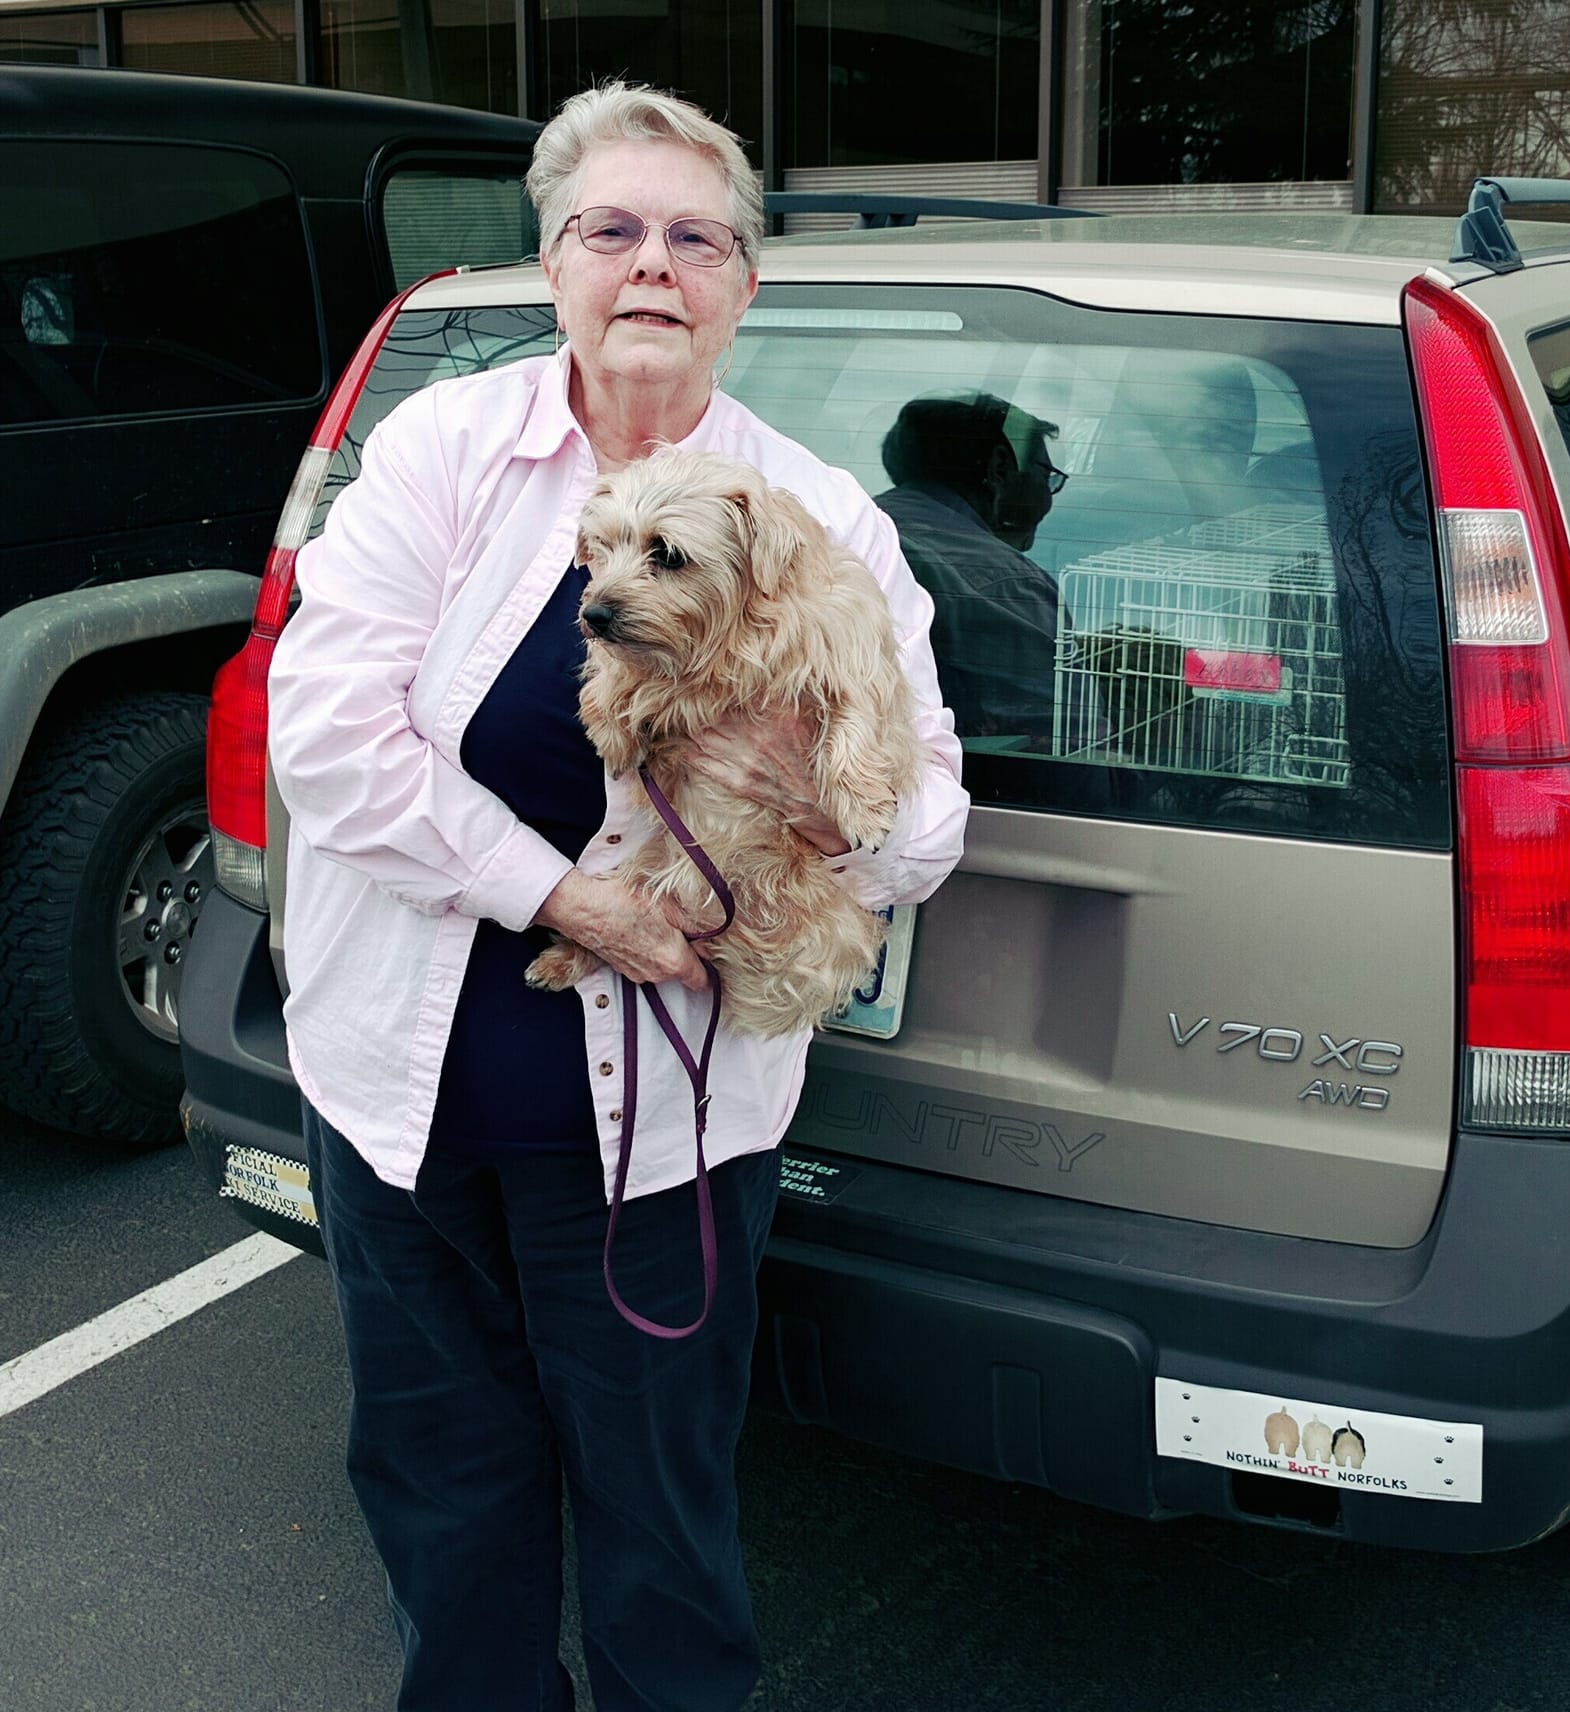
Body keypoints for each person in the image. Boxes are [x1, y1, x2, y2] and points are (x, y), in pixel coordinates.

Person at [266, 82, 968, 1712]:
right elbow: (327, 731)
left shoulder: (817, 519)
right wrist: (566, 903)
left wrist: (810, 792)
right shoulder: (446, 445)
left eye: (695, 238)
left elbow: (925, 815)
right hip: (403, 1107)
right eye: (612, 230)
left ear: (743, 284)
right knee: (450, 1509)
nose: (652, 264)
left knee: (661, 1529)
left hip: (664, 1134)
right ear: (554, 261)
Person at [874, 392, 1067, 745]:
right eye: (1048, 476)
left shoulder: (835, 537)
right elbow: (1061, 761)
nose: (1049, 496)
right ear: (999, 468)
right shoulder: (1011, 586)